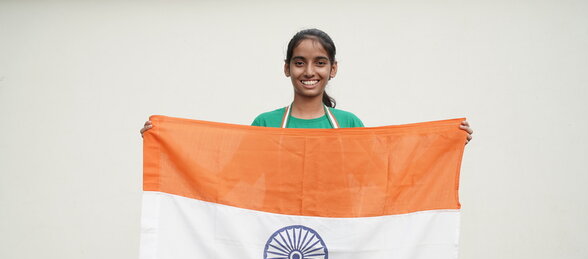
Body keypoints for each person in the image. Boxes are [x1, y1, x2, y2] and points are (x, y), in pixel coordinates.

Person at [140, 29, 473, 140]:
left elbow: (378, 176)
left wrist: (444, 141)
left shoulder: (349, 125)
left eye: (320, 62)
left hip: (336, 233)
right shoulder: (266, 124)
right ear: (286, 69)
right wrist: (166, 139)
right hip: (279, 233)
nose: (309, 71)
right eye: (299, 62)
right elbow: (231, 178)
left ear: (333, 69)